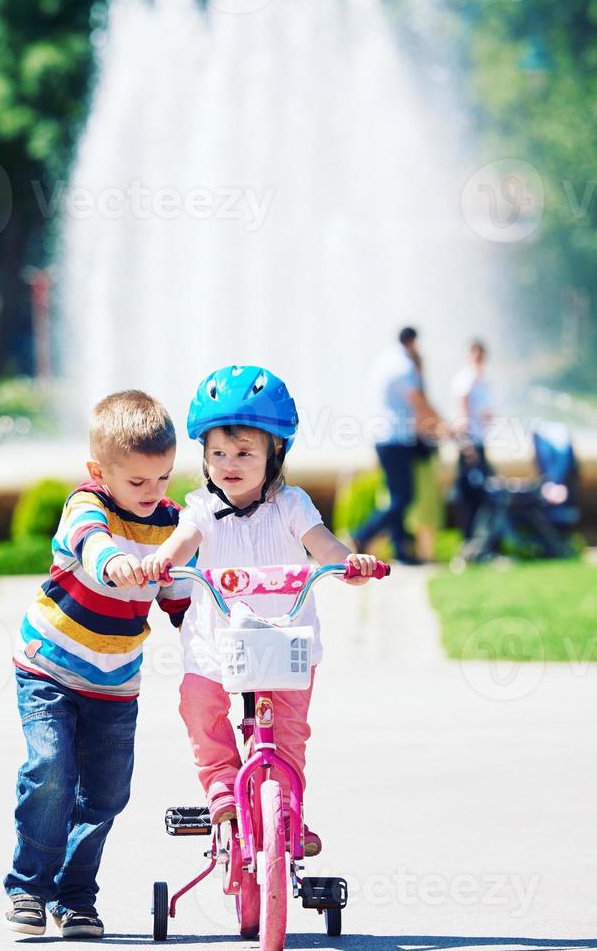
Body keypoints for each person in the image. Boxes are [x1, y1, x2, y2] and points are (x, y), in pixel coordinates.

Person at [141, 366, 379, 857]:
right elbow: (181, 543)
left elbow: (323, 544)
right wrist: (163, 562)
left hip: (283, 640)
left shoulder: (291, 504)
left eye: (245, 452)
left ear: (276, 453)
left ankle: (288, 809)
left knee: (289, 729)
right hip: (216, 640)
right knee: (200, 705)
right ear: (204, 457)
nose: (230, 463)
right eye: (218, 453)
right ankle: (222, 788)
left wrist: (348, 563)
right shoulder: (202, 508)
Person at [3, 390, 192, 940]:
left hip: (115, 682)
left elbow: (181, 596)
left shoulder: (170, 522)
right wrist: (116, 564)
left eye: (162, 478)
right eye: (137, 482)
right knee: (53, 770)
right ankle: (28, 888)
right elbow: (92, 544)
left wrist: (200, 615)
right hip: (50, 667)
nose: (152, 493)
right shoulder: (86, 505)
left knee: (107, 794)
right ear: (99, 472)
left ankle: (75, 897)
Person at [351, 326, 445, 565]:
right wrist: (444, 424)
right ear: (412, 341)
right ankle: (363, 534)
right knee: (403, 497)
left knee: (397, 496)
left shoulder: (385, 360)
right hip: (396, 439)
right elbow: (418, 402)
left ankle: (401, 550)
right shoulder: (403, 365)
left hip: (385, 437)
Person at [451, 338, 495, 538]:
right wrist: (466, 444)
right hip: (470, 442)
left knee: (481, 490)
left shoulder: (483, 380)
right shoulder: (466, 379)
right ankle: (468, 536)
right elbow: (462, 412)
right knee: (469, 491)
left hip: (480, 439)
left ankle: (479, 536)